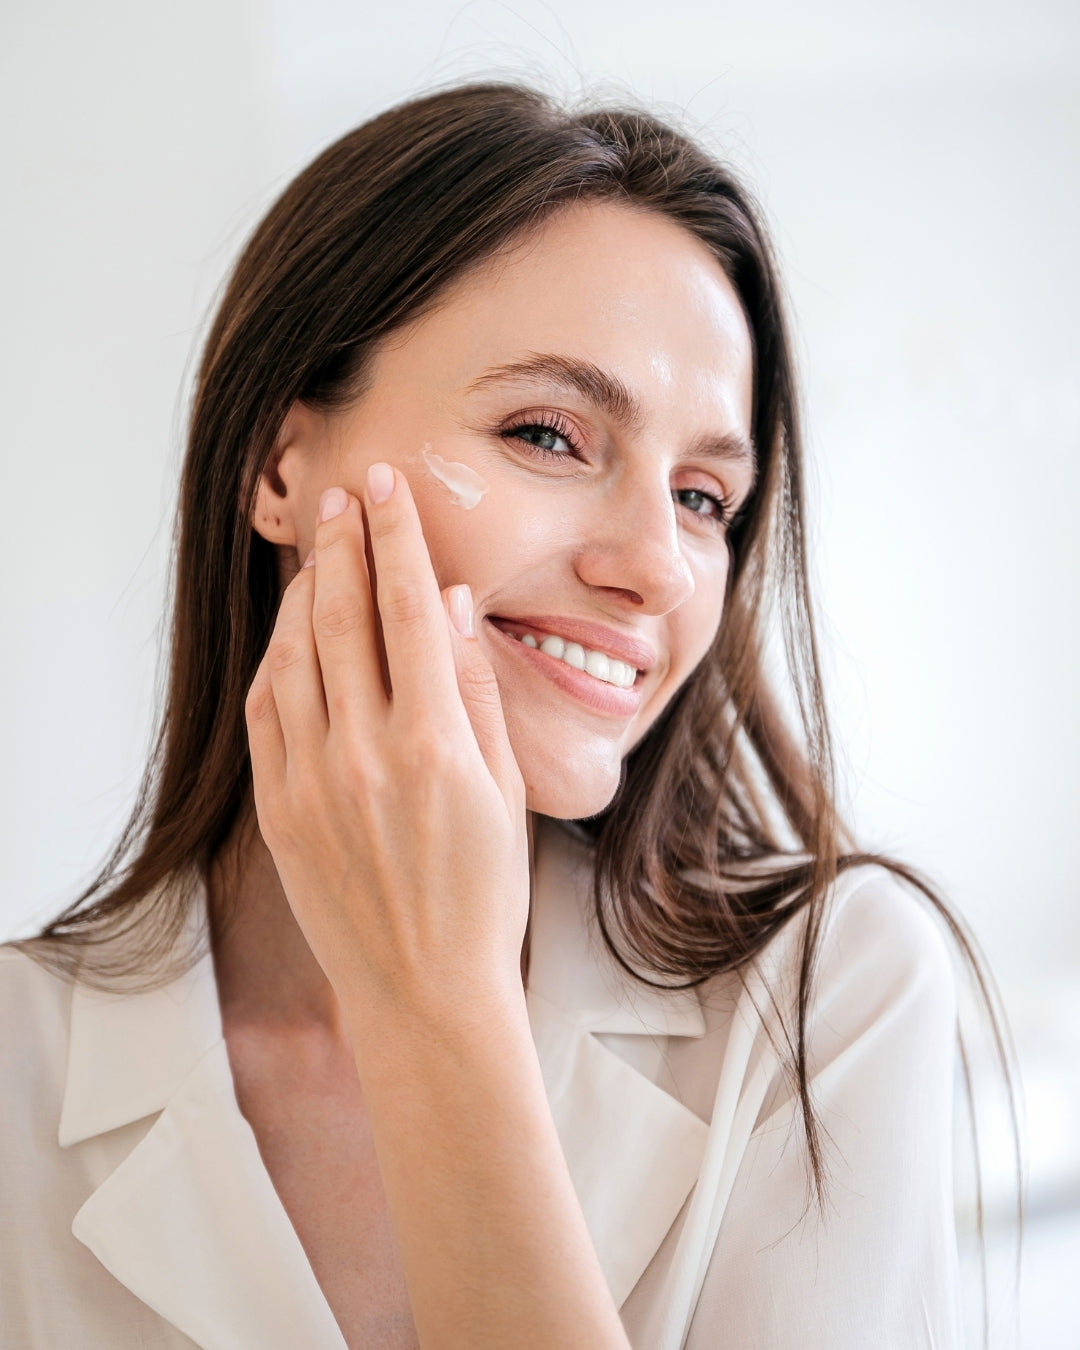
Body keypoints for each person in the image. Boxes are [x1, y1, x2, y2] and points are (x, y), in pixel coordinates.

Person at [0, 79, 1013, 1349]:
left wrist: (437, 1006)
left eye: (705, 498)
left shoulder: (830, 1001)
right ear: (276, 465)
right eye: (548, 433)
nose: (657, 565)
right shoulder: (16, 1065)